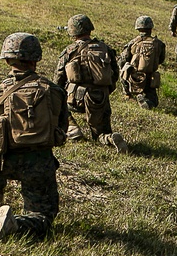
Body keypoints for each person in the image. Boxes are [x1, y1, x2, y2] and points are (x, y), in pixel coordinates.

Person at [0, 33, 69, 242]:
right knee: (43, 217)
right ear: (36, 59)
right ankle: (16, 224)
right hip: (39, 164)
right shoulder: (54, 91)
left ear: (6, 59)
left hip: (2, 165)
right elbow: (61, 131)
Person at [54, 14, 127, 153]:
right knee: (100, 132)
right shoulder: (105, 48)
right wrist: (106, 92)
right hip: (100, 98)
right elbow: (115, 73)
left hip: (74, 99)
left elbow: (58, 79)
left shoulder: (69, 51)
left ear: (72, 32)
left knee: (59, 104)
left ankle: (72, 128)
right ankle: (109, 138)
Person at [120, 15, 166, 109]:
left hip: (135, 78)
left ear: (138, 28)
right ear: (151, 28)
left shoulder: (133, 42)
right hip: (150, 78)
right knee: (154, 103)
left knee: (124, 68)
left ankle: (129, 94)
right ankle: (145, 99)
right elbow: (161, 60)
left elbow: (123, 60)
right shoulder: (159, 44)